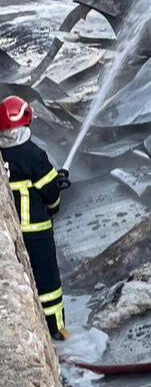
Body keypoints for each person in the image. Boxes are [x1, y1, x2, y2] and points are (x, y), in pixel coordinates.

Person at [1, 95, 70, 339]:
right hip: (37, 230)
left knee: (24, 280)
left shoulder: (2, 155)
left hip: (11, 234)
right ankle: (57, 330)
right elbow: (50, 193)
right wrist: (54, 206)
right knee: (48, 280)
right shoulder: (32, 153)